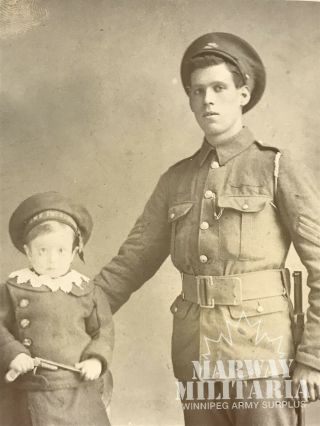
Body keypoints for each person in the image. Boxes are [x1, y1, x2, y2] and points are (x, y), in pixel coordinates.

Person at [94, 32, 320, 425]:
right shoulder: (176, 180)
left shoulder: (276, 167)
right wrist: (66, 311)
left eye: (219, 88)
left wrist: (313, 358)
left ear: (243, 94)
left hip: (262, 358)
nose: (207, 100)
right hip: (196, 358)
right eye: (197, 91)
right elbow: (129, 265)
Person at [0, 191, 114, 426]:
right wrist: (15, 353)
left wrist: (96, 360)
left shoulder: (87, 290)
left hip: (78, 387)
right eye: (43, 250)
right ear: (28, 251)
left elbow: (103, 332)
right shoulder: (12, 289)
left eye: (61, 250)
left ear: (73, 253)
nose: (52, 259)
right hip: (30, 387)